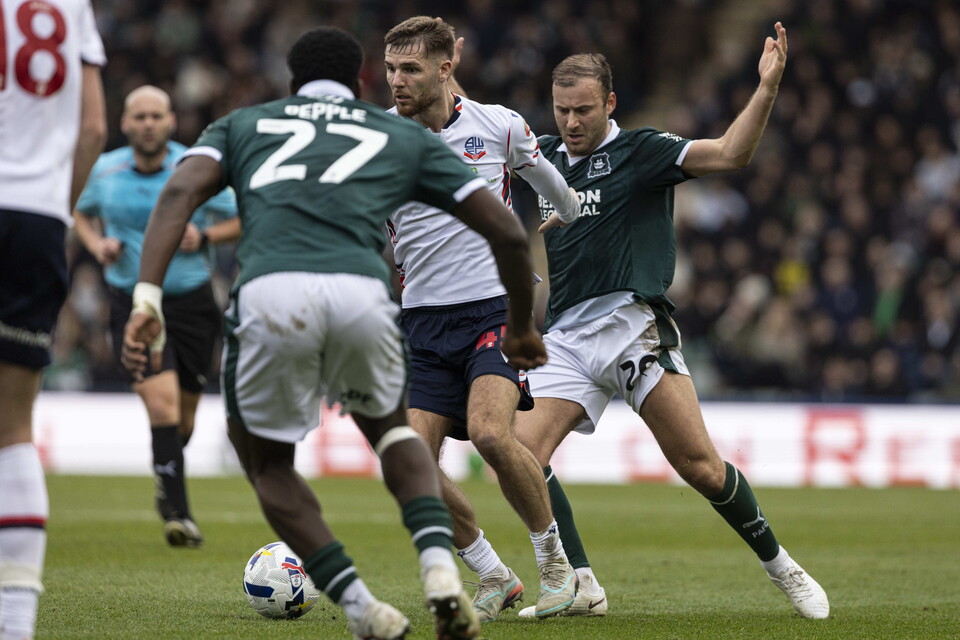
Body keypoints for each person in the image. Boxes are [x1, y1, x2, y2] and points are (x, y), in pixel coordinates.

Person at [121, 26, 546, 640]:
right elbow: (507, 232)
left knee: (267, 464)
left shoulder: (245, 124)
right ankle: (440, 571)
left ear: (292, 81)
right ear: (360, 82)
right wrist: (523, 326)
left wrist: (147, 296)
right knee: (395, 433)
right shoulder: (398, 132)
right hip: (362, 294)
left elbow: (179, 192)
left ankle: (359, 605)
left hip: (270, 292)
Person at [508, 22, 830, 620]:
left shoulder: (641, 151)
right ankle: (580, 583)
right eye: (561, 111)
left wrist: (766, 87)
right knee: (520, 452)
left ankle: (781, 564)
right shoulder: (543, 157)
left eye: (583, 110)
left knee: (702, 468)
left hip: (633, 329)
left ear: (609, 104)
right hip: (568, 340)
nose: (571, 123)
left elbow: (733, 153)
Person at [382, 16, 583, 622]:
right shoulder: (379, 141)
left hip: (492, 310)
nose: (396, 81)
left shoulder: (498, 126)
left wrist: (556, 215)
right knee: (408, 464)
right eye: (390, 68)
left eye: (410, 69)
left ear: (446, 70)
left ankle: (558, 571)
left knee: (494, 435)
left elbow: (563, 197)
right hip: (421, 320)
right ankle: (496, 575)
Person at [73, 85, 240, 548]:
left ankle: (165, 475)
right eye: (139, 116)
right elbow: (80, 214)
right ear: (125, 124)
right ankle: (179, 515)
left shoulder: (196, 168)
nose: (148, 124)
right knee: (162, 406)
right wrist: (96, 245)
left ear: (171, 122)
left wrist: (204, 237)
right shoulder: (105, 171)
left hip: (191, 303)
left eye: (156, 116)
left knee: (182, 422)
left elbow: (245, 217)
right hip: (133, 303)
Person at [0, 1, 106, 637]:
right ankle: (14, 626)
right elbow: (92, 128)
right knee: (13, 428)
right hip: (36, 220)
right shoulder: (71, 6)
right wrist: (55, 210)